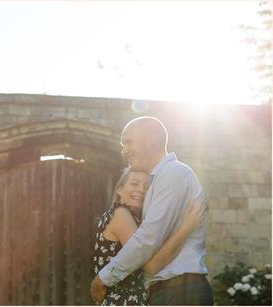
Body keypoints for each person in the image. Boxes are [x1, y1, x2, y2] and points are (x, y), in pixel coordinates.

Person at [91, 116, 214, 305]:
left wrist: (104, 278)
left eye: (128, 142)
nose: (124, 151)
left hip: (181, 292)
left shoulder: (173, 173)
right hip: (168, 292)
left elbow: (148, 239)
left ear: (151, 140)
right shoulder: (158, 180)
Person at [94, 168, 205, 305]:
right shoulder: (121, 214)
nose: (141, 190)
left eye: (146, 187)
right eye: (134, 184)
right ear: (120, 189)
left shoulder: (135, 220)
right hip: (124, 301)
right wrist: (187, 226)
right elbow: (151, 265)